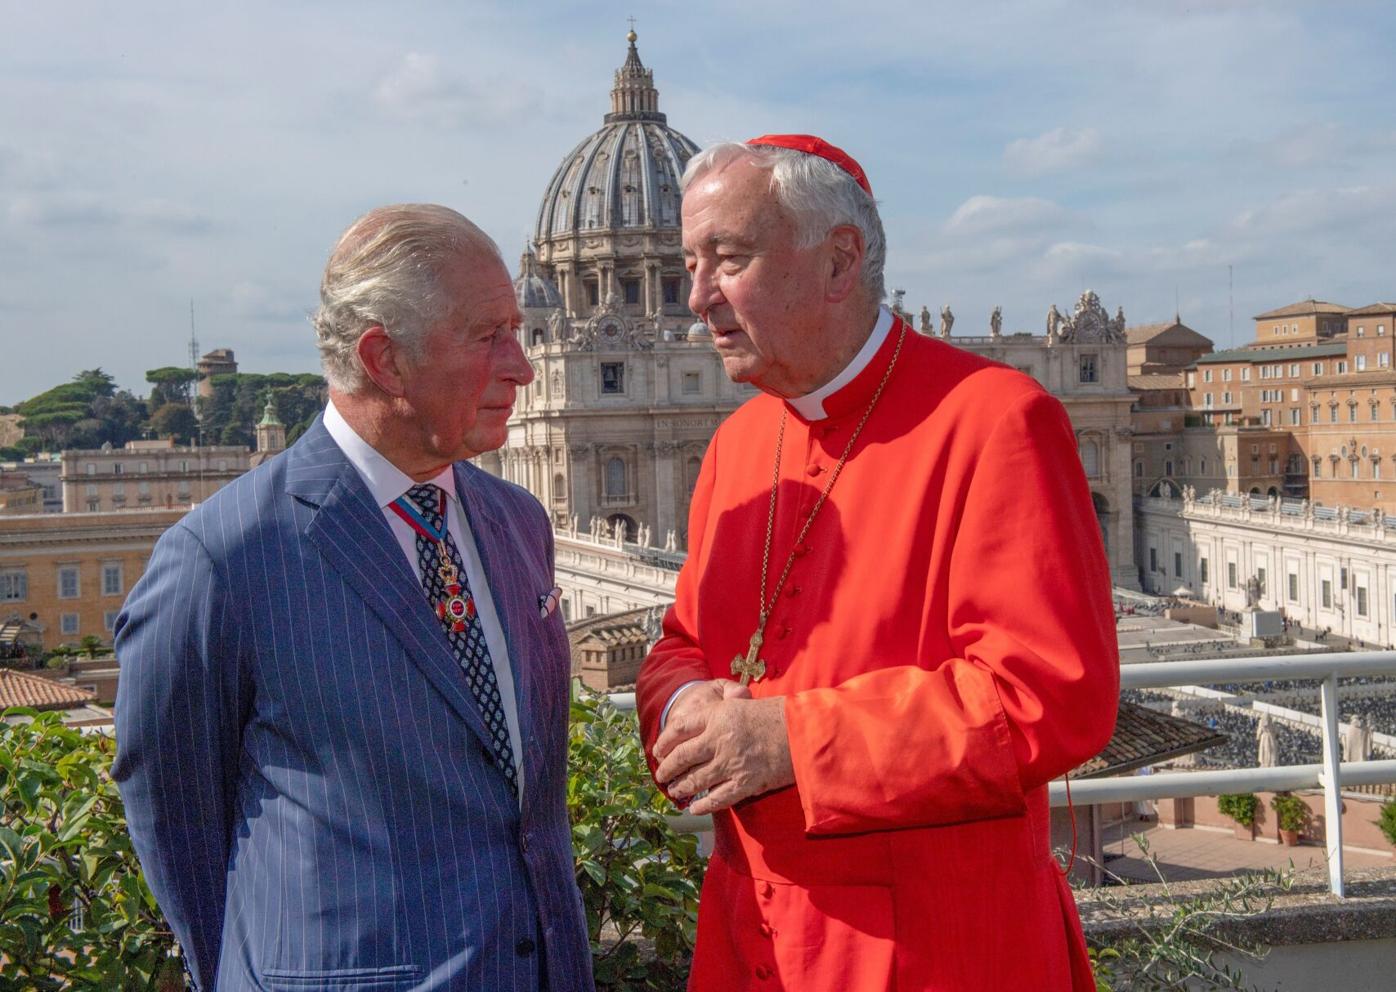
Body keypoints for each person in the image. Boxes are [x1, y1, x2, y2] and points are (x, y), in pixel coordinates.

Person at [636, 136, 1119, 990]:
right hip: (750, 942)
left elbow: (1050, 693)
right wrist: (686, 702)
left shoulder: (995, 420)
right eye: (689, 264)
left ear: (839, 261)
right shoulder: (736, 443)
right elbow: (680, 642)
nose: (697, 297)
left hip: (937, 950)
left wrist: (792, 742)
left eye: (729, 260)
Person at [113, 204, 593, 992]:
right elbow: (173, 817)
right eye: (488, 337)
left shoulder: (518, 523)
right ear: (385, 360)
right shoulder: (221, 560)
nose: (524, 366)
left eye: (519, 329)